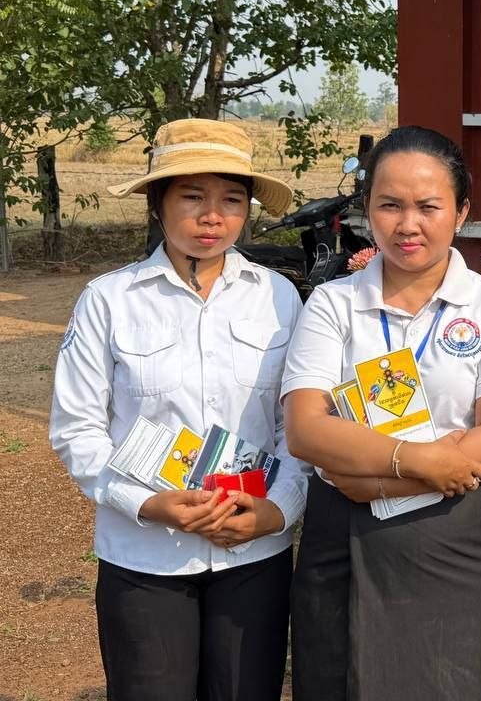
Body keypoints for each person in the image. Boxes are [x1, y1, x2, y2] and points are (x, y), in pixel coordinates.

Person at [49, 118, 307, 701]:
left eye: (232, 200)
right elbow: (77, 430)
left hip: (253, 552)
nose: (212, 216)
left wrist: (278, 511)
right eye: (192, 196)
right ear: (158, 204)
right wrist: (146, 503)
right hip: (145, 556)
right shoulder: (109, 300)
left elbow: (294, 424)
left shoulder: (278, 297)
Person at [282, 126, 481, 701]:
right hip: (346, 534)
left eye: (428, 206)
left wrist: (376, 480)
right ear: (367, 209)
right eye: (389, 205)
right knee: (339, 679)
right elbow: (306, 428)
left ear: (461, 211)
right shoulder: (333, 305)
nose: (407, 224)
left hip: (458, 532)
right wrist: (419, 461)